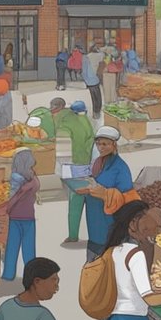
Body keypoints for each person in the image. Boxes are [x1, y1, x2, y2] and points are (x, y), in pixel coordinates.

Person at [78, 126, 138, 261]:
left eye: (105, 144)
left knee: (107, 260)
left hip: (109, 222)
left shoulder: (120, 168)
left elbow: (128, 198)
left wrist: (106, 194)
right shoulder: (99, 163)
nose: (101, 148)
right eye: (98, 144)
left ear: (114, 145)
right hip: (94, 219)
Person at [52, 100, 95, 245]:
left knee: (75, 203)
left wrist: (61, 170)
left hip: (72, 169)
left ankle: (73, 235)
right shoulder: (88, 123)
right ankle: (94, 235)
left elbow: (62, 153)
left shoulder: (65, 125)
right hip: (88, 167)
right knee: (92, 204)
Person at [0, 149, 39, 282]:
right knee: (29, 248)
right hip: (29, 216)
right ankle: (32, 275)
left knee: (12, 247)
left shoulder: (16, 178)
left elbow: (13, 198)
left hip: (15, 217)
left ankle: (8, 274)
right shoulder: (33, 179)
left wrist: (7, 209)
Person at [83, 43, 104, 119]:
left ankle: (95, 112)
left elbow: (84, 70)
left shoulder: (86, 57)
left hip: (89, 79)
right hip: (96, 78)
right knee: (98, 96)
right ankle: (98, 111)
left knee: (93, 97)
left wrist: (85, 80)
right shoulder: (100, 56)